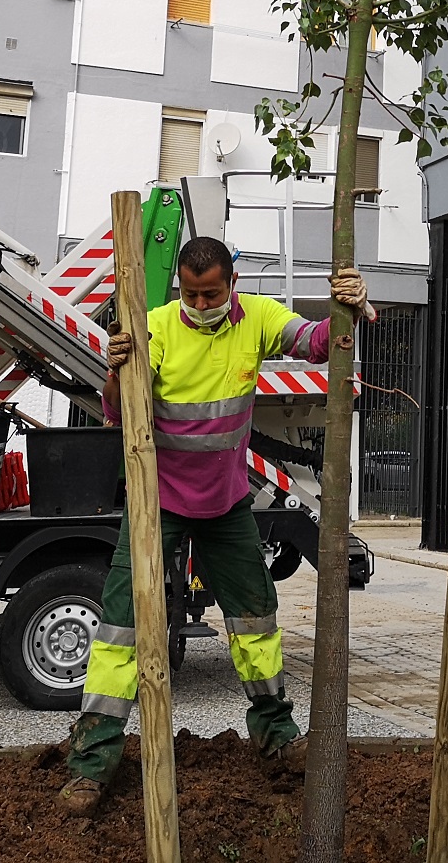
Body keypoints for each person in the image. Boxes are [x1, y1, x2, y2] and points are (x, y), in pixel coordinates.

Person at [59, 236, 371, 816]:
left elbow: (317, 343)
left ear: (232, 283)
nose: (202, 303)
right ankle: (93, 761)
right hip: (157, 502)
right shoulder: (151, 327)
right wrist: (116, 371)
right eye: (192, 293)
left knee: (255, 617)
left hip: (227, 503)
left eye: (213, 293)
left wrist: (345, 305)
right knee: (122, 626)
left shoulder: (256, 317)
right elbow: (118, 412)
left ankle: (277, 735)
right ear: (180, 285)